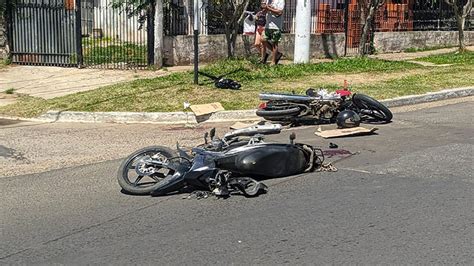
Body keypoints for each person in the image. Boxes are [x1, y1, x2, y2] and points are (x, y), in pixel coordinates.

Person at [261, 0, 285, 65]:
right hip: (268, 25)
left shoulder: (280, 1)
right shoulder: (268, 1)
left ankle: (273, 61)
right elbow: (265, 12)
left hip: (276, 26)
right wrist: (264, 8)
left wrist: (269, 8)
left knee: (275, 43)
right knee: (262, 40)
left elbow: (279, 12)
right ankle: (277, 54)